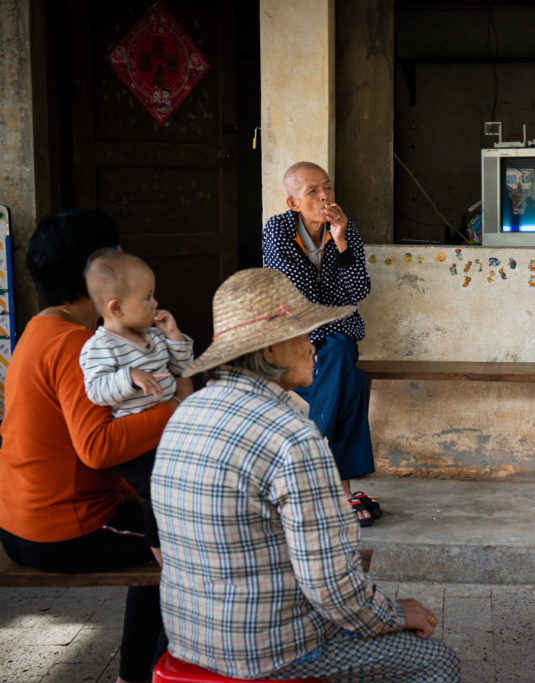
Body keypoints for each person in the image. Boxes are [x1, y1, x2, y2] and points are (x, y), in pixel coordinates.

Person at [152, 268, 460, 682]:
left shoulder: (184, 414)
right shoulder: (292, 437)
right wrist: (395, 613)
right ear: (273, 349)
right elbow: (331, 587)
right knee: (435, 660)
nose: (314, 345)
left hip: (189, 639)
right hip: (270, 652)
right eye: (303, 334)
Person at [0, 209, 191, 683]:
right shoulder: (73, 345)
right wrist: (175, 409)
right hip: (64, 530)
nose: (124, 260)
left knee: (159, 528)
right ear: (94, 274)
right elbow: (98, 448)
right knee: (190, 548)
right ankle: (161, 673)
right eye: (116, 253)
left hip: (27, 518)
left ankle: (135, 673)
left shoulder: (43, 328)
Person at [262, 161, 380, 525]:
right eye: (313, 191)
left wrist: (341, 240)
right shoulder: (278, 230)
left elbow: (359, 291)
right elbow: (299, 298)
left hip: (337, 337)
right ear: (293, 202)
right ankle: (341, 490)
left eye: (327, 187)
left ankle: (306, 477)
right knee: (351, 381)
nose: (325, 196)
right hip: (293, 340)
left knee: (341, 361)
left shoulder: (344, 227)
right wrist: (333, 308)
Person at [79, 249, 194, 551]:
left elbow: (183, 368)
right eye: (147, 298)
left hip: (166, 429)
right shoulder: (99, 347)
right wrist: (128, 375)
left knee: (188, 479)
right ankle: (160, 549)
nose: (155, 304)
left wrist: (174, 336)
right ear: (115, 307)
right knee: (160, 487)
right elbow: (96, 390)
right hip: (136, 443)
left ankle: (184, 538)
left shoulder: (152, 337)